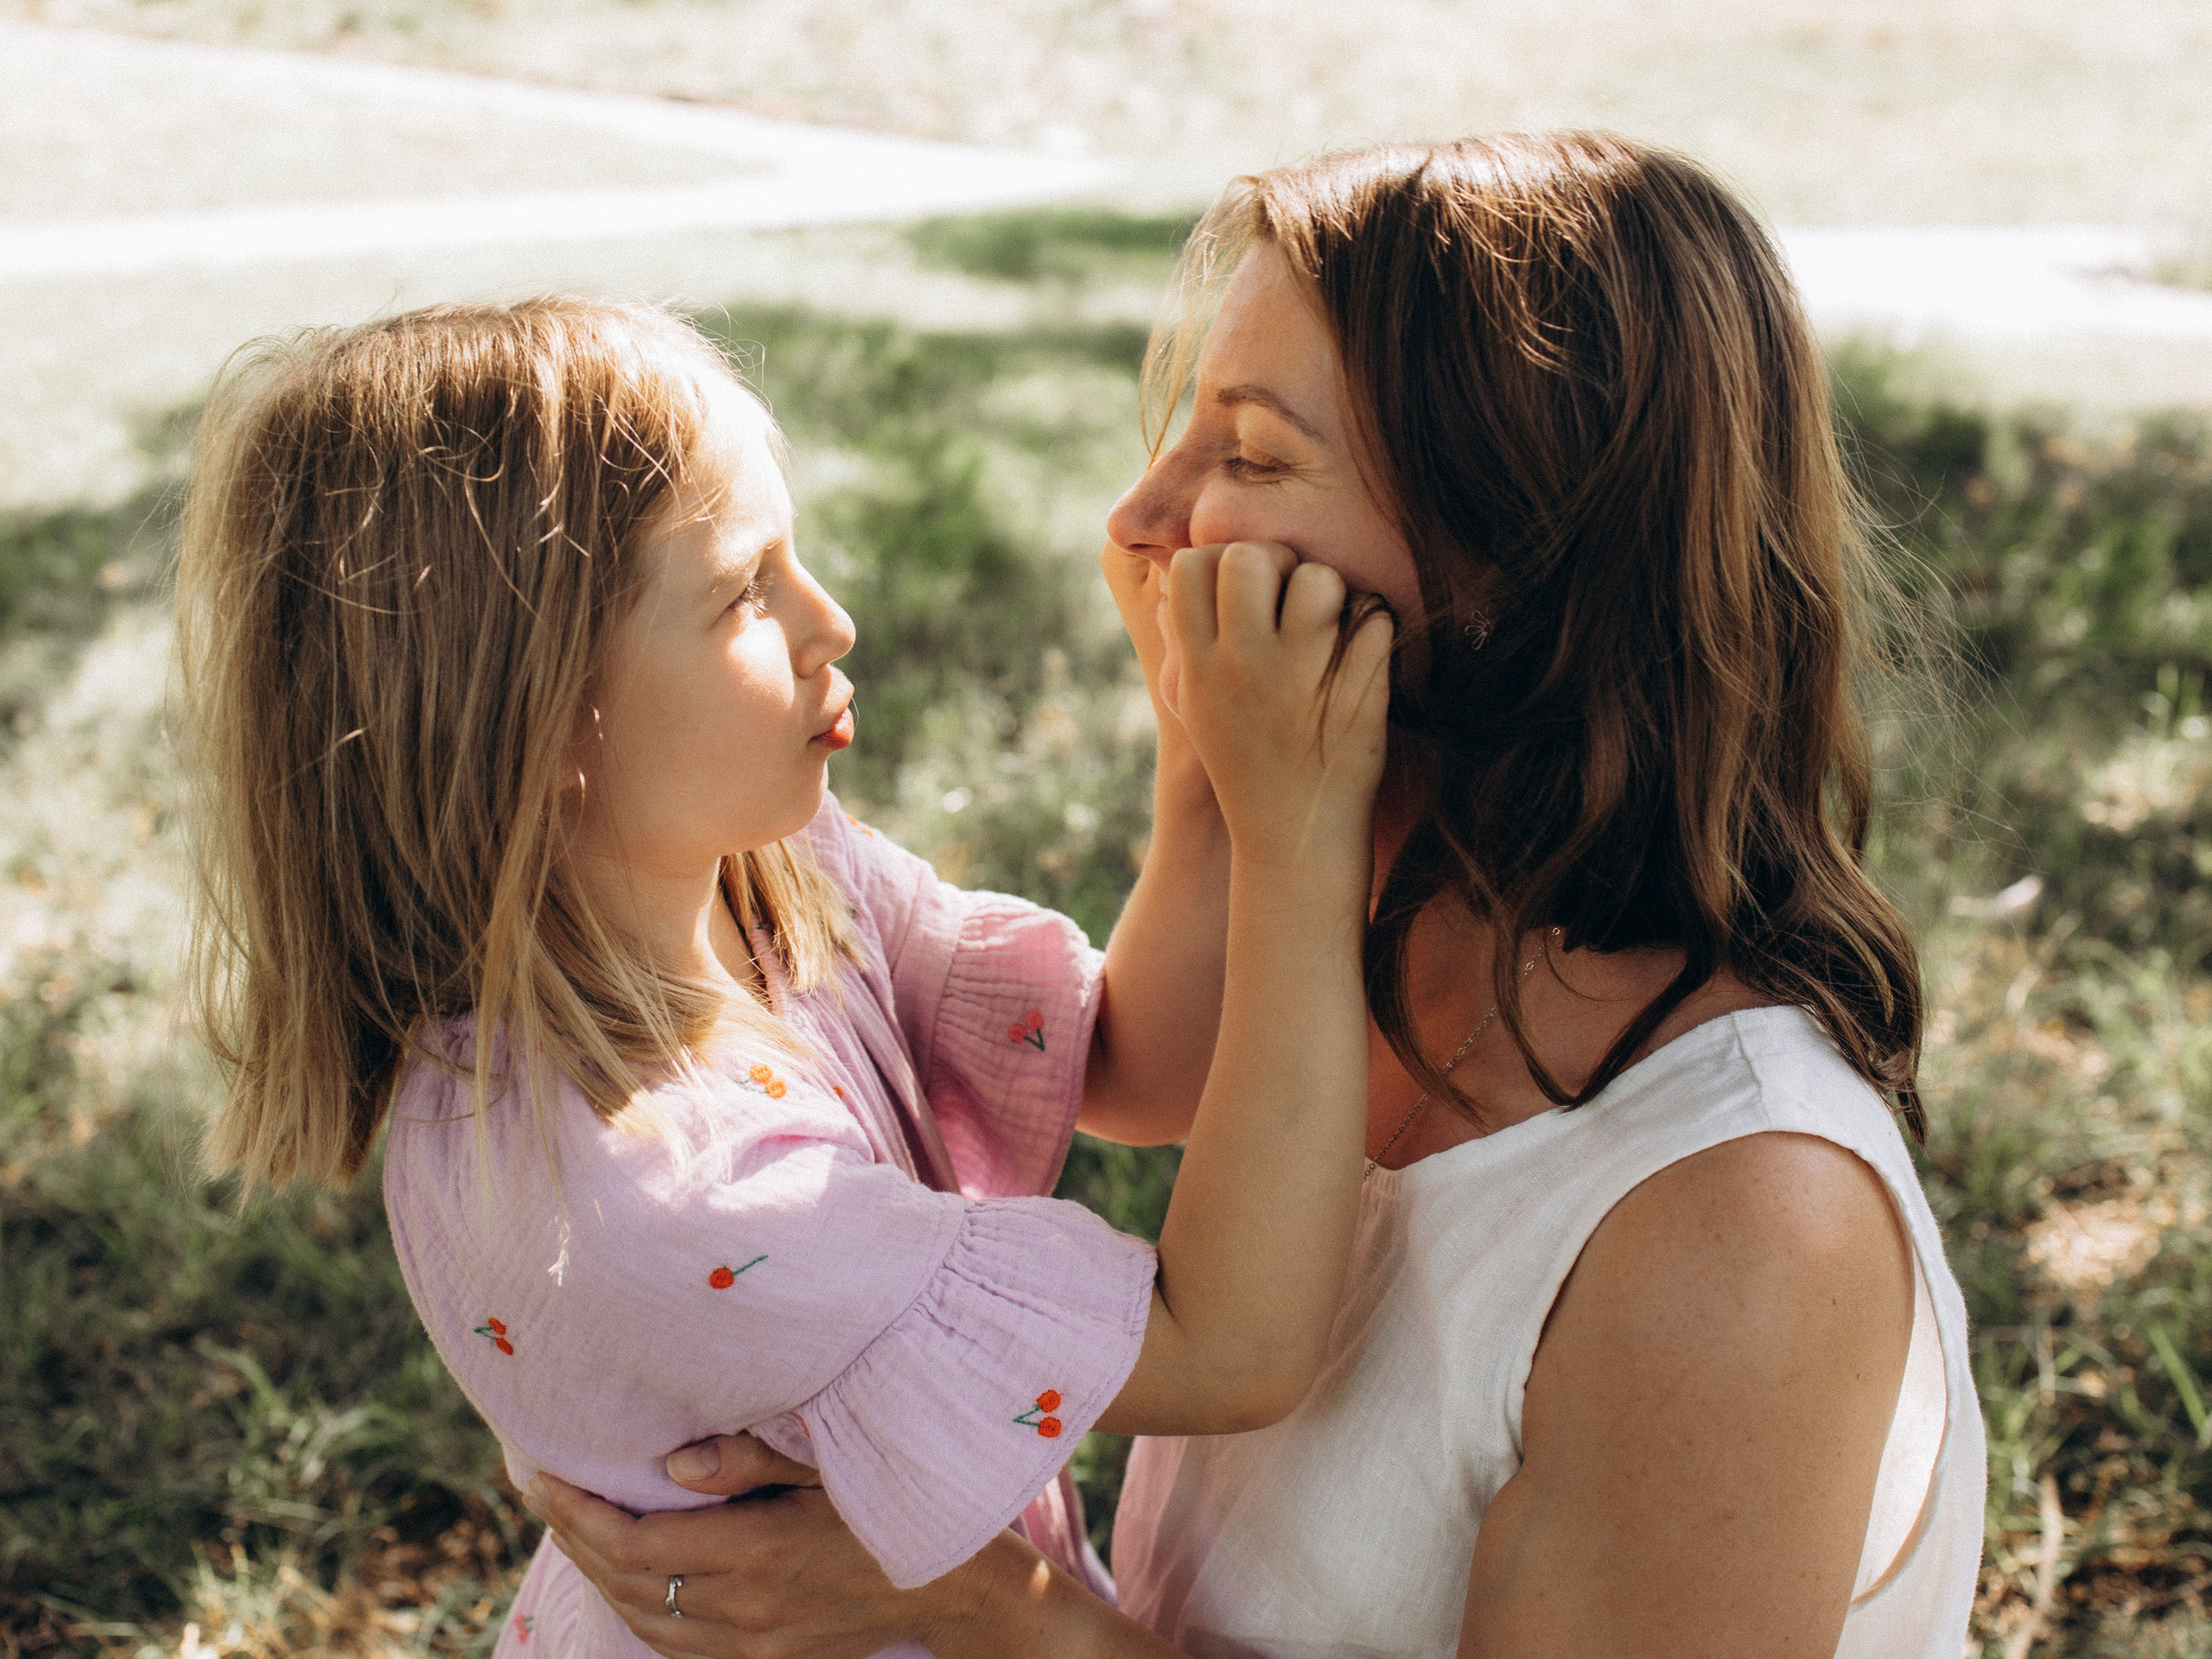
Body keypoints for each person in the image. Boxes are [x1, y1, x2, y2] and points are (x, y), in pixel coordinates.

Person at [531, 132, 1987, 1658]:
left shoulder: (1743, 1224)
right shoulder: (1368, 938)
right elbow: (1132, 1077)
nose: (1144, 517)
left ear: (1511, 570)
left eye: (1252, 454)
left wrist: (978, 1606)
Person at [174, 295, 1396, 1657]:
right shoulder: (663, 1194)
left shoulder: (763, 880)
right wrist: (1298, 836)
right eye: (746, 589)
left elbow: (1133, 1065)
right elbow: (1232, 1348)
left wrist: (1201, 759)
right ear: (542, 717)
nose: (835, 620)